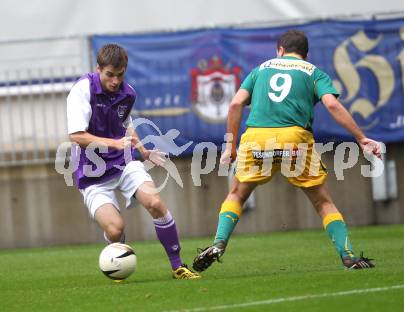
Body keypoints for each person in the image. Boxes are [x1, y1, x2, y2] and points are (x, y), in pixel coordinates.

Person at [193, 30, 381, 272]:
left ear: (280, 50)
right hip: (295, 138)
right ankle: (347, 256)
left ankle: (219, 242)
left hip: (257, 139)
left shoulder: (261, 69)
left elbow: (235, 103)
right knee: (323, 202)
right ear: (305, 53)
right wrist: (361, 138)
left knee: (237, 195)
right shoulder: (314, 72)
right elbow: (332, 104)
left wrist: (230, 147)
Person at [67, 43, 200, 279]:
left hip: (123, 162)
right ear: (98, 69)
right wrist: (114, 143)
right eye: (109, 75)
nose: (115, 81)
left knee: (155, 203)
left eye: (120, 75)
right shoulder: (82, 90)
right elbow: (76, 136)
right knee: (115, 229)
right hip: (92, 174)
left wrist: (144, 150)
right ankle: (117, 252)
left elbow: (126, 126)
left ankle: (178, 266)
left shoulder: (128, 94)